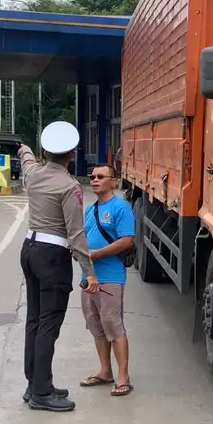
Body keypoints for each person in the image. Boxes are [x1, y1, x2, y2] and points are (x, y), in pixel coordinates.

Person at [18, 121, 100, 412]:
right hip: (52, 256)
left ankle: (35, 384)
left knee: (34, 321)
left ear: (45, 151)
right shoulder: (69, 186)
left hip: (29, 249)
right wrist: (89, 272)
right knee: (48, 325)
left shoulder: (33, 174)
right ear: (73, 153)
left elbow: (26, 159)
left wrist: (25, 149)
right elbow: (75, 233)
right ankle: (42, 392)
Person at [79, 163, 135, 397]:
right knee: (96, 326)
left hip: (110, 278)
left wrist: (95, 254)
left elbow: (126, 241)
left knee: (114, 327)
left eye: (101, 176)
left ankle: (123, 376)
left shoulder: (121, 208)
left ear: (113, 181)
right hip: (88, 278)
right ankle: (105, 371)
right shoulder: (90, 210)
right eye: (92, 176)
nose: (95, 180)